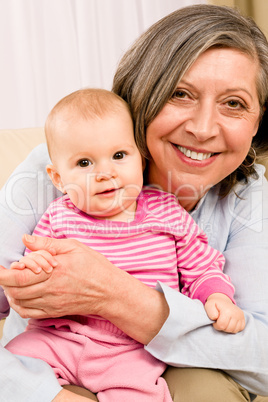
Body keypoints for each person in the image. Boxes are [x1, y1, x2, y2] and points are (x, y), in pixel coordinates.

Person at [0, 3, 268, 401]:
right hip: (52, 354)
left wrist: (117, 296)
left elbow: (260, 358)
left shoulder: (249, 197)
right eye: (180, 93)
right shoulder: (55, 169)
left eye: (234, 103)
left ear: (259, 120)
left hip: (133, 366)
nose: (203, 128)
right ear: (143, 92)